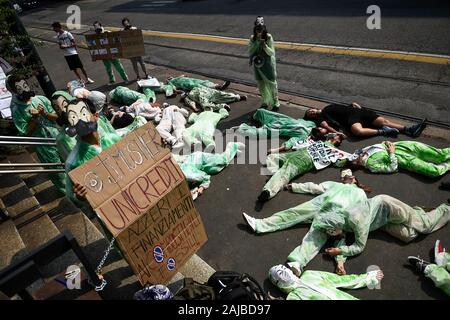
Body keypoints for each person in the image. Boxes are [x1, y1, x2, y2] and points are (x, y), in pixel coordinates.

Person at [242, 169, 372, 275]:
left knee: (316, 236)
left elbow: (360, 212)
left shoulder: (361, 194)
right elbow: (316, 188)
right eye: (343, 176)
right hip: (319, 204)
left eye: (347, 176)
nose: (345, 178)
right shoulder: (336, 184)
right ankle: (259, 225)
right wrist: (295, 186)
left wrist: (344, 227)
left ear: (354, 178)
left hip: (335, 215)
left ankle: (298, 262)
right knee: (292, 213)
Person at [7, 74, 66, 194]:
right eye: (19, 89)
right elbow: (25, 133)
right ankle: (67, 192)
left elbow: (57, 117)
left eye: (24, 86)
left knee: (70, 159)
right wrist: (34, 119)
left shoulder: (40, 99)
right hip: (43, 144)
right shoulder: (16, 109)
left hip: (58, 136)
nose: (23, 90)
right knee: (56, 170)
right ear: (13, 91)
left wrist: (44, 113)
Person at [62, 98, 121, 207]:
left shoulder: (113, 139)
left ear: (95, 116)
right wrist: (80, 197)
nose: (80, 121)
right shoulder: (73, 163)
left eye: (83, 113)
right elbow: (72, 198)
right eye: (74, 118)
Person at [258, 135, 348, 201]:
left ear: (338, 141)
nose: (336, 136)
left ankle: (268, 192)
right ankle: (274, 175)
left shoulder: (334, 151)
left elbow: (340, 162)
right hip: (293, 154)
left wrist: (348, 160)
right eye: (335, 135)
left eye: (338, 137)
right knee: (272, 157)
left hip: (303, 161)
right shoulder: (321, 141)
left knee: (284, 174)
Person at [304, 102, 426, 138]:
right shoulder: (321, 116)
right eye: (310, 114)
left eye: (310, 110)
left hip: (357, 112)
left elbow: (346, 105)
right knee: (358, 131)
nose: (311, 112)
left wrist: (355, 105)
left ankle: (408, 129)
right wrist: (337, 133)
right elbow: (325, 126)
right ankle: (385, 131)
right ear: (313, 117)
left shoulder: (328, 106)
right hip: (351, 118)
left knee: (383, 121)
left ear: (314, 108)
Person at [268, 264, 384, 300]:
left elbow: (341, 280)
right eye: (280, 272)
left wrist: (369, 277)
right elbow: (342, 280)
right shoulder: (293, 297)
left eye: (282, 269)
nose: (283, 272)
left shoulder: (310, 275)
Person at [173, 142, 245, 200]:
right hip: (193, 163)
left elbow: (205, 177)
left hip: (201, 158)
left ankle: (232, 146)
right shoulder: (178, 175)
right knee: (215, 167)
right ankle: (233, 153)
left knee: (222, 162)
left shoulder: (190, 176)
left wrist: (201, 188)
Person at [349, 140, 450, 178]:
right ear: (356, 165)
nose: (354, 158)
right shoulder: (371, 166)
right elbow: (391, 168)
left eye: (353, 157)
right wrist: (392, 153)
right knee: (433, 171)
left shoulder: (363, 151)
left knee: (440, 155)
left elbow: (381, 143)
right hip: (404, 159)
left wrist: (386, 142)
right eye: (352, 161)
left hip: (403, 146)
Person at [234, 109, 318, 149]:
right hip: (279, 119)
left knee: (258, 134)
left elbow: (290, 142)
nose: (312, 112)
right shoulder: (311, 123)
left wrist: (276, 150)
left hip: (276, 129)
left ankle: (242, 127)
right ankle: (254, 118)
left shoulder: (303, 135)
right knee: (261, 112)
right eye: (310, 111)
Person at [249, 16, 280, 110]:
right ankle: (265, 101)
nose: (259, 32)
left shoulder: (268, 37)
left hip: (267, 64)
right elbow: (250, 51)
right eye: (258, 29)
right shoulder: (252, 38)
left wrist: (265, 46)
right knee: (261, 84)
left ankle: (276, 103)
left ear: (264, 29)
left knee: (272, 84)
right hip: (258, 64)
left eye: (261, 29)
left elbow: (271, 53)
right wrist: (257, 43)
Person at [181, 86, 246, 112]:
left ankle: (237, 97)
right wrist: (194, 108)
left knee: (222, 95)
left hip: (206, 93)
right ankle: (224, 105)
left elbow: (191, 103)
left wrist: (195, 108)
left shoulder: (193, 90)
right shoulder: (188, 97)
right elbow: (191, 103)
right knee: (221, 96)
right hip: (205, 95)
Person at [158, 75, 230, 97]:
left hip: (192, 80)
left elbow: (183, 75)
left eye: (169, 77)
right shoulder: (171, 83)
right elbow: (174, 89)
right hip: (189, 84)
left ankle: (219, 87)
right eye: (168, 78)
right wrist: (179, 91)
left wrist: (184, 76)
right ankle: (220, 88)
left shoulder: (176, 78)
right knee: (202, 85)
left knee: (205, 82)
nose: (169, 77)